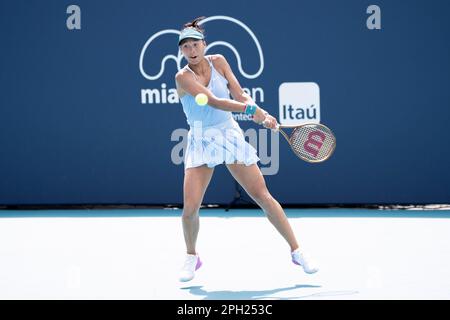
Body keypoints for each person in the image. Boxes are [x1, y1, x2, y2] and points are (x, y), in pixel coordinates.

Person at [175, 17, 319, 282]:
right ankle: (191, 256)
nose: (192, 50)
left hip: (229, 133)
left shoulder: (219, 61)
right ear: (181, 51)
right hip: (201, 139)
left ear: (204, 44)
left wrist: (259, 112)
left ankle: (297, 251)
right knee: (190, 209)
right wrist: (251, 110)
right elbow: (216, 102)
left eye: (195, 44)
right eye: (186, 47)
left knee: (263, 195)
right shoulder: (183, 77)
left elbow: (239, 93)